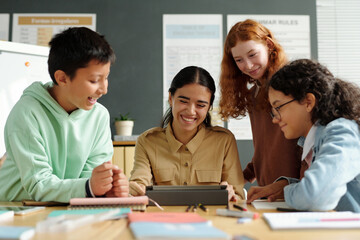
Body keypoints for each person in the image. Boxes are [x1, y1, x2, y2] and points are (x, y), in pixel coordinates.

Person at [0, 27, 129, 202]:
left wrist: (106, 186)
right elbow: (39, 184)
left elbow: (89, 181)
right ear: (62, 78)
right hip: (15, 209)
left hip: (65, 207)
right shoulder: (27, 113)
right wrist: (90, 186)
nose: (104, 89)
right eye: (94, 80)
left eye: (106, 78)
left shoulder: (99, 116)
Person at [247, 59, 360, 212]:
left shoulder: (341, 132)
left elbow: (314, 196)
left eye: (278, 107)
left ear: (308, 102)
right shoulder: (316, 137)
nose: (275, 119)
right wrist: (285, 185)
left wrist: (289, 191)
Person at [129, 66, 245, 201]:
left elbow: (239, 197)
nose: (190, 111)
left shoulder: (224, 141)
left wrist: (231, 195)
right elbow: (140, 181)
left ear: (209, 107)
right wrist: (136, 189)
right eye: (183, 101)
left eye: (200, 105)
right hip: (165, 220)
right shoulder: (148, 141)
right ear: (171, 98)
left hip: (210, 219)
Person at [219, 19, 302, 188]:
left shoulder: (292, 87)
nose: (248, 65)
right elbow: (264, 150)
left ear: (269, 45)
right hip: (269, 193)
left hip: (295, 191)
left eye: (252, 54)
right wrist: (243, 178)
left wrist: (298, 187)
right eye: (239, 60)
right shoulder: (254, 95)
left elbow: (309, 146)